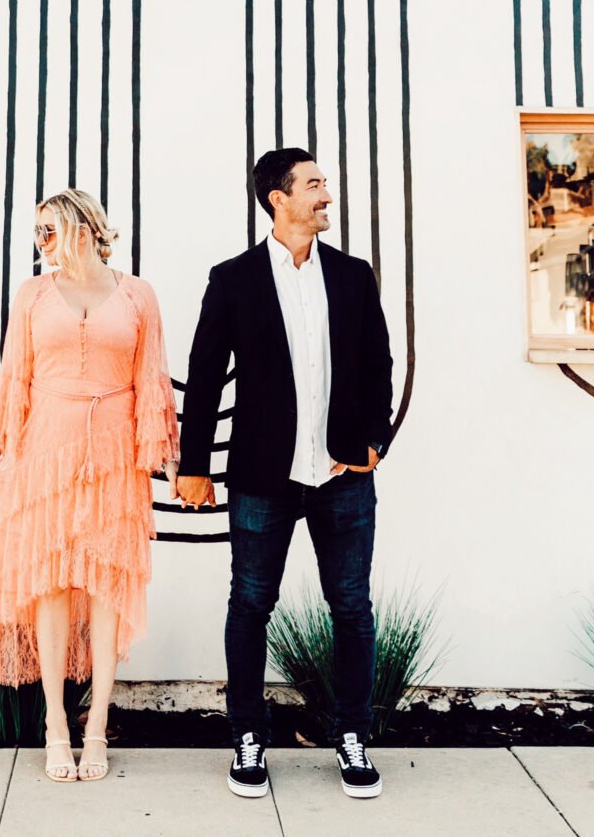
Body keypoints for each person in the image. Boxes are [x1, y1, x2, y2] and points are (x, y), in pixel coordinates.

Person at [175, 149, 394, 803]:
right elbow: (207, 376)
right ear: (279, 197)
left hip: (342, 475)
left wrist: (374, 443)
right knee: (250, 605)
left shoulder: (353, 276)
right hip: (262, 477)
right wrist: (193, 466)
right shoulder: (234, 279)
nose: (327, 193)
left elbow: (380, 363)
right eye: (315, 184)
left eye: (325, 183)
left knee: (351, 608)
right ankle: (248, 736)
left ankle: (352, 735)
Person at [0, 190, 180, 783]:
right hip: (46, 452)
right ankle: (56, 724)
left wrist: (163, 458)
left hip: (112, 456)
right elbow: (14, 378)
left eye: (51, 229)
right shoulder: (32, 294)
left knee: (108, 587)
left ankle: (97, 726)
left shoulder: (137, 294)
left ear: (84, 227)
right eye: (36, 232)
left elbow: (151, 379)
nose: (42, 241)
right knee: (51, 585)